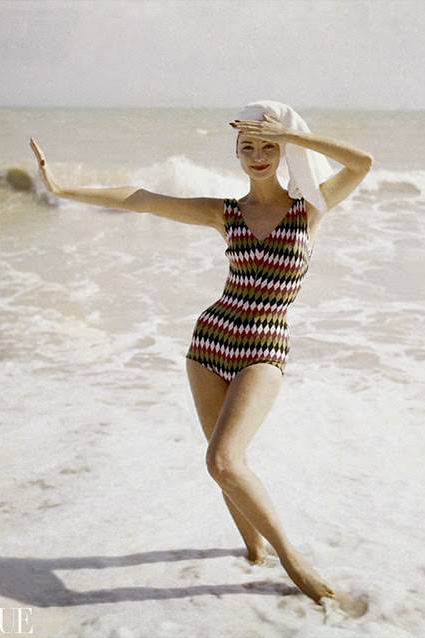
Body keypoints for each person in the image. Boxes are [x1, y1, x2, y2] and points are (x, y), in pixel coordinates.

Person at [29, 101, 373, 606]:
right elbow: (144, 198)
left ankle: (294, 562)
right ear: (235, 153)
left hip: (264, 346)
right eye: (248, 147)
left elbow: (362, 163)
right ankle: (254, 555)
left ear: (283, 150)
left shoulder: (311, 208)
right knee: (224, 467)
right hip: (210, 342)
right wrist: (62, 188)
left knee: (224, 459)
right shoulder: (225, 212)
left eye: (268, 147)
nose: (258, 156)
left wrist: (293, 134)